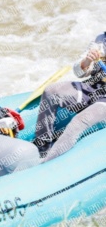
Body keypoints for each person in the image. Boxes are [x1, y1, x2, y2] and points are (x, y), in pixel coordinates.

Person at [34, 32, 106, 161]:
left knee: (79, 121)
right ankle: (43, 147)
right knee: (51, 91)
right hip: (93, 89)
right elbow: (78, 72)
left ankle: (48, 162)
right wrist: (87, 61)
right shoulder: (100, 40)